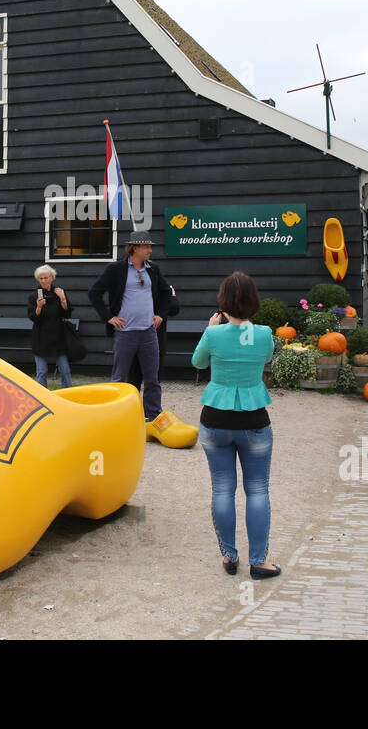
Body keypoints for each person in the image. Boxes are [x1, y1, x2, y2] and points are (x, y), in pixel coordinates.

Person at [191, 272, 280, 580]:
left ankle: (229, 556)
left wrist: (210, 330)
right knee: (257, 490)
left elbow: (198, 363)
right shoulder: (265, 333)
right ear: (253, 301)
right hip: (254, 418)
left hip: (215, 418)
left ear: (223, 302)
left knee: (222, 489)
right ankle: (259, 562)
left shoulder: (214, 334)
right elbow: (267, 357)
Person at [89, 230, 196, 448]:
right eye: (147, 246)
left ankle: (154, 419)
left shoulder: (153, 270)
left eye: (150, 247)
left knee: (152, 378)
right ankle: (115, 419)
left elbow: (167, 294)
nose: (150, 250)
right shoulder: (116, 269)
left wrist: (160, 315)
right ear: (135, 248)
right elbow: (94, 293)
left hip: (149, 333)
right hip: (125, 334)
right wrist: (108, 317)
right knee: (119, 378)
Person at [28, 265, 72, 387]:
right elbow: (33, 318)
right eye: (40, 278)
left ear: (52, 278)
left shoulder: (59, 293)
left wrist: (63, 299)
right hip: (40, 337)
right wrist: (39, 307)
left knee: (65, 370)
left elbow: (67, 313)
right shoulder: (34, 296)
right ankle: (43, 399)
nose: (43, 281)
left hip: (58, 336)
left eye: (46, 278)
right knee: (42, 371)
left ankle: (68, 396)